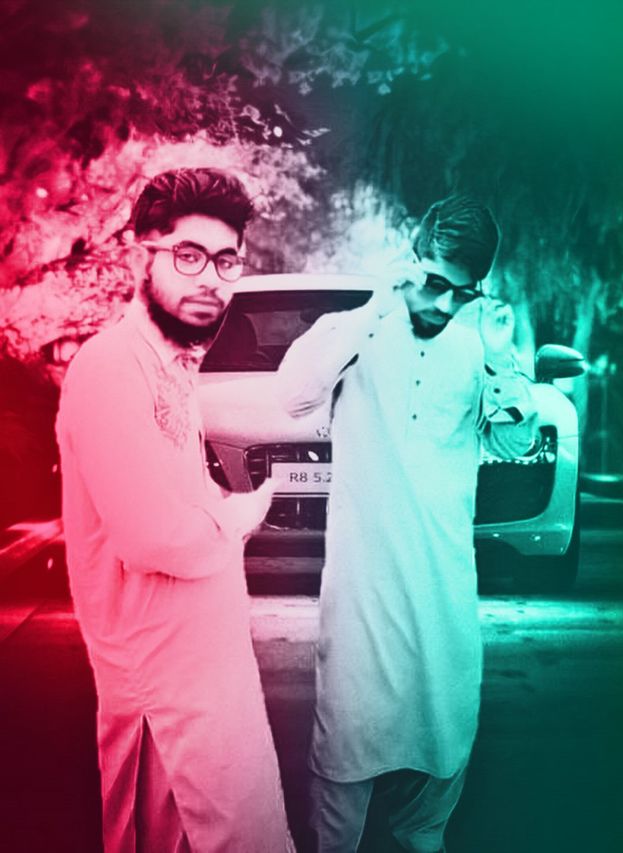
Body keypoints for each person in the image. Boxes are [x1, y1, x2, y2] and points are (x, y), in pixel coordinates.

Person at [277, 195, 538, 852]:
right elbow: (293, 395)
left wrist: (502, 360)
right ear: (412, 260)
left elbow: (515, 441)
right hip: (362, 596)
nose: (445, 305)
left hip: (442, 597)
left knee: (440, 755)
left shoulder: (476, 350)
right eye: (435, 283)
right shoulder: (356, 333)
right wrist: (374, 307)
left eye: (463, 293)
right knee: (344, 757)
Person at [56, 168, 294, 853]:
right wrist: (242, 513)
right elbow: (153, 536)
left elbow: (178, 499)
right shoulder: (110, 368)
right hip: (159, 696)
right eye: (189, 255)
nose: (210, 279)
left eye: (226, 260)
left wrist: (218, 508)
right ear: (143, 255)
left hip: (206, 679)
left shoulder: (176, 367)